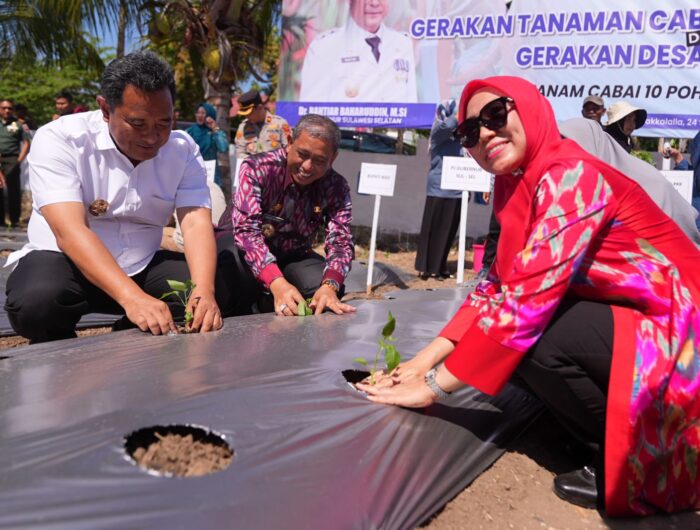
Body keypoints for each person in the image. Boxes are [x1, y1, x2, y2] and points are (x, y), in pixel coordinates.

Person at [358, 76, 700, 517]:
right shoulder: (516, 186)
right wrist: (421, 362)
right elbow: (494, 287)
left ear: (529, 108)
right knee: (504, 349)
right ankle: (607, 435)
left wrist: (431, 388)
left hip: (683, 327)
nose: (485, 134)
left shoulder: (570, 174)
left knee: (534, 339)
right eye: (469, 131)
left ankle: (645, 455)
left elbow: (526, 304)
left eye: (495, 115)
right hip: (647, 317)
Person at [4, 51, 225, 342]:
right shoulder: (61, 139)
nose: (152, 137)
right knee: (36, 304)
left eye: (164, 124)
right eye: (138, 124)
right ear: (106, 109)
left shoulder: (182, 149)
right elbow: (71, 232)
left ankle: (129, 332)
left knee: (224, 287)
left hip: (142, 262)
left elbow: (195, 223)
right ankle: (65, 350)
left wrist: (203, 292)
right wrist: (132, 298)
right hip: (66, 264)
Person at [217, 113, 356, 317]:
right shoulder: (257, 168)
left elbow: (341, 242)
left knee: (323, 286)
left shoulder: (336, 187)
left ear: (333, 158)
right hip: (238, 248)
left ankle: (267, 303)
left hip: (292, 254)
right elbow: (246, 233)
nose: (307, 166)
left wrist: (330, 285)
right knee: (232, 269)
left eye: (319, 160)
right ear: (290, 142)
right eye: (302, 154)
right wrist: (276, 282)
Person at [299, 0, 417, 103]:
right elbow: (310, 112)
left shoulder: (403, 44)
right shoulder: (324, 47)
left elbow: (412, 109)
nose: (374, 3)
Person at [414, 99, 462, 280]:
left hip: (458, 188)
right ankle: (426, 268)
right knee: (433, 230)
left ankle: (440, 266)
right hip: (439, 189)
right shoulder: (438, 129)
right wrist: (458, 114)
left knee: (448, 232)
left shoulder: (461, 135)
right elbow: (447, 126)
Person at [0, 99, 31, 228]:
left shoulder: (19, 124)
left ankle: (14, 219)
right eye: (4, 108)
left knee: (13, 189)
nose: (7, 110)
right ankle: (0, 221)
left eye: (9, 108)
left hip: (12, 159)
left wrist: (18, 160)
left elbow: (27, 143)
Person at [234, 90, 291, 159]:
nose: (247, 117)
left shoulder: (280, 124)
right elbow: (240, 153)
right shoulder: (243, 127)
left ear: (260, 107)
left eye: (249, 113)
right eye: (245, 114)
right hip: (251, 165)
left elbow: (289, 150)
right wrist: (254, 162)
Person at [185, 102, 229, 187]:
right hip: (193, 174)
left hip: (211, 175)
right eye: (198, 113)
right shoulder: (190, 132)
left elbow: (223, 148)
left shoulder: (215, 132)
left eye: (203, 113)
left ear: (209, 115)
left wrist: (215, 128)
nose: (200, 115)